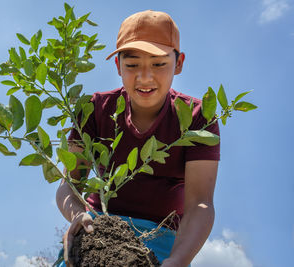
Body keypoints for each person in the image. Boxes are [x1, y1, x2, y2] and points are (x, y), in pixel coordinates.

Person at [56, 10, 220, 267]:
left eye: (158, 64)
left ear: (178, 64)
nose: (145, 77)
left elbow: (200, 202)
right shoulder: (95, 109)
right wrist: (78, 215)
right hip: (98, 226)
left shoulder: (198, 118)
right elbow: (69, 185)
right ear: (118, 65)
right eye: (132, 65)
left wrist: (178, 259)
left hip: (163, 236)